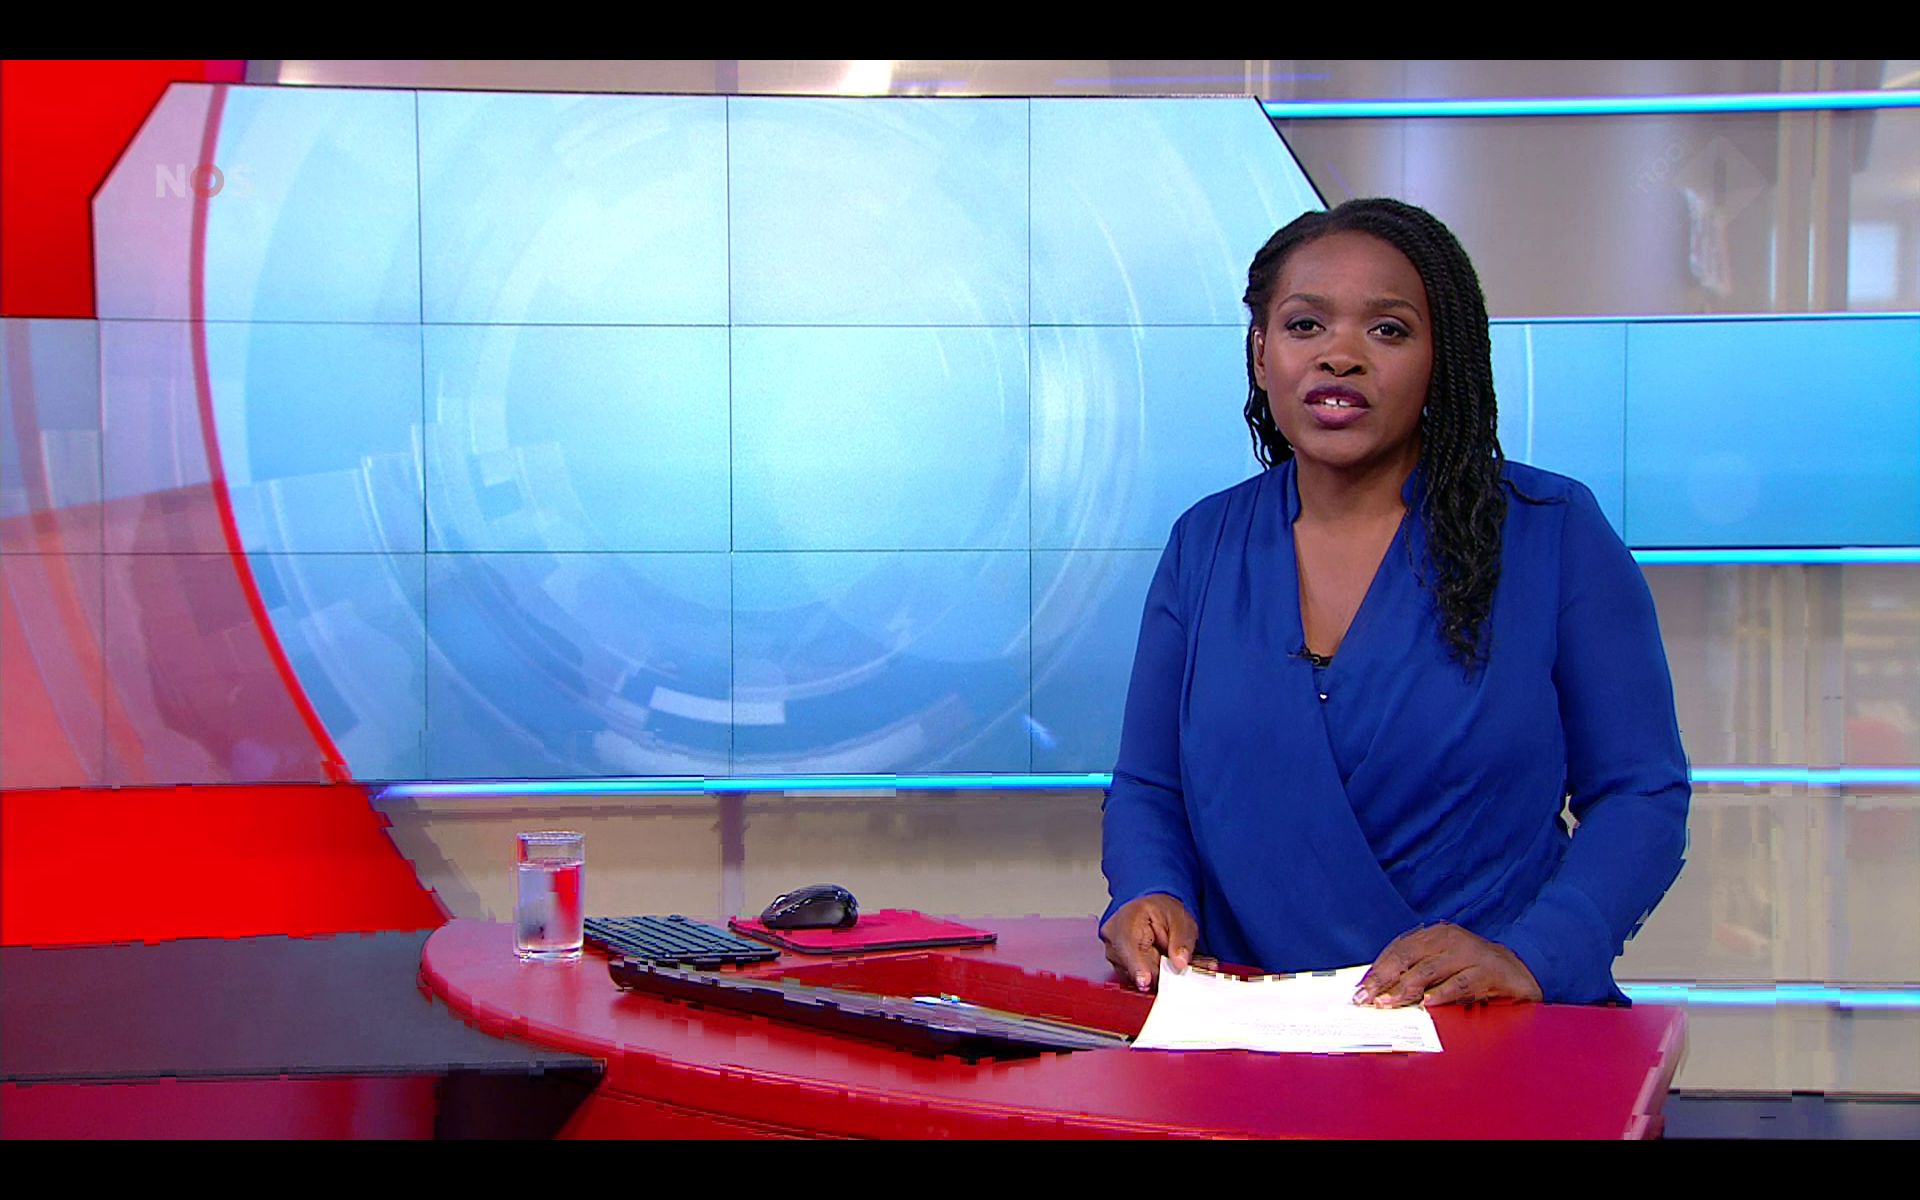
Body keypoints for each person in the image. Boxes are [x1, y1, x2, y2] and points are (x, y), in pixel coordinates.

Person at [1099, 198, 1690, 1009]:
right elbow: (1150, 786)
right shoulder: (1205, 545)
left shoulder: (1552, 533)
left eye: (1387, 330)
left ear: (1441, 358)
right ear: (1261, 351)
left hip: (1483, 1028)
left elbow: (1641, 794)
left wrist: (1535, 955)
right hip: (1252, 1029)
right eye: (1305, 325)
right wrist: (1148, 890)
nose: (1340, 356)